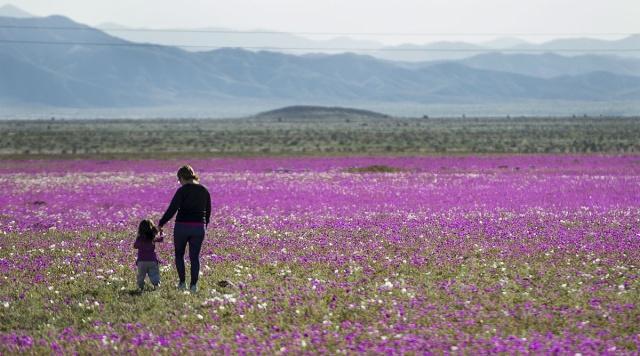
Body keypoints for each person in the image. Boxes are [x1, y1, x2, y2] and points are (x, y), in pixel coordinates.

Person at [158, 165, 211, 293]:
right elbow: (208, 210)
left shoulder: (182, 191)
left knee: (179, 255)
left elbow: (172, 209)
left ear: (181, 177)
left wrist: (161, 223)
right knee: (195, 257)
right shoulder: (204, 190)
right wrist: (205, 225)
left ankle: (182, 283)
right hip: (199, 227)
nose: (179, 182)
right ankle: (193, 286)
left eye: (179, 179)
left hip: (182, 226)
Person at [134, 219, 163, 291]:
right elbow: (161, 239)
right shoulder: (152, 238)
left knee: (141, 275)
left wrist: (141, 244)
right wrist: (161, 232)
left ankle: (140, 286)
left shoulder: (139, 238)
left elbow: (135, 246)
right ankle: (156, 285)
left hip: (141, 261)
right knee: (154, 274)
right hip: (152, 261)